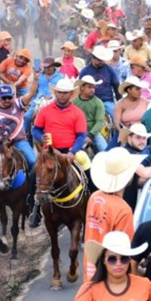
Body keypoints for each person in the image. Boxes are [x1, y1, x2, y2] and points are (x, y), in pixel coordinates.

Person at [31, 78, 89, 227]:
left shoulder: (78, 112)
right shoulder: (45, 110)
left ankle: (90, 204)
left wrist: (72, 152)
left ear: (70, 94)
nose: (62, 95)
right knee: (33, 172)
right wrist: (40, 137)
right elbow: (36, 130)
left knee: (89, 168)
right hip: (49, 151)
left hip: (69, 151)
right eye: (59, 92)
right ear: (55, 93)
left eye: (65, 93)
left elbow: (82, 135)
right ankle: (35, 208)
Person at [83, 148, 144, 281]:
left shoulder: (94, 197)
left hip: (90, 270)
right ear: (128, 178)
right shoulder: (123, 209)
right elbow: (125, 251)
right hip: (111, 278)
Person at [0, 81, 38, 173]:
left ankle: (33, 185)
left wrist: (35, 78)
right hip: (0, 143)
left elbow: (31, 93)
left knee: (33, 162)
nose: (7, 100)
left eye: (9, 97)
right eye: (4, 97)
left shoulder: (18, 104)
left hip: (20, 141)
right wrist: (1, 140)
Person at [79, 45, 122, 118]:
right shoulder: (85, 71)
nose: (101, 62)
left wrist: (120, 104)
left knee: (116, 117)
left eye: (102, 60)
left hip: (107, 101)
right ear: (93, 58)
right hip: (90, 101)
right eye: (99, 60)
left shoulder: (109, 70)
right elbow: (80, 88)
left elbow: (116, 87)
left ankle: (117, 129)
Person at [72, 75, 107, 153]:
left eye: (93, 87)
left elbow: (100, 122)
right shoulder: (74, 102)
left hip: (93, 131)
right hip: (77, 132)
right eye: (89, 87)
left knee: (105, 150)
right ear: (82, 87)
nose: (92, 90)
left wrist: (90, 135)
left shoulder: (98, 103)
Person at [113, 76, 151, 148]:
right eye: (137, 89)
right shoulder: (120, 104)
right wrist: (123, 133)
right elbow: (116, 122)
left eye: (140, 89)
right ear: (129, 90)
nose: (140, 91)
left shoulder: (145, 102)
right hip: (125, 131)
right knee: (109, 151)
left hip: (142, 132)